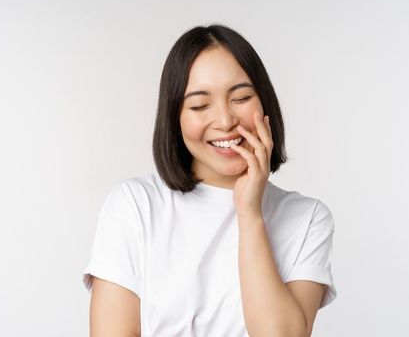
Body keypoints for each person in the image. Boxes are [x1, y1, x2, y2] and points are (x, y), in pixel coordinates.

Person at [82, 24, 337, 337]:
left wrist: (250, 214)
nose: (226, 121)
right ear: (175, 118)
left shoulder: (308, 219)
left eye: (241, 97)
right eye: (200, 105)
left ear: (264, 103)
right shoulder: (134, 205)